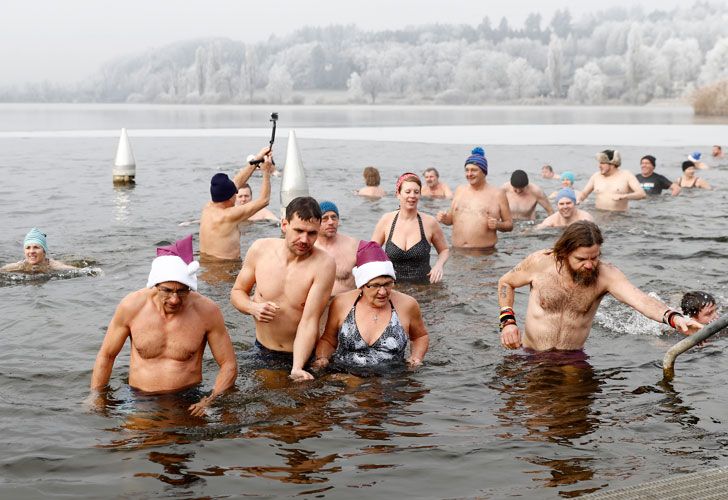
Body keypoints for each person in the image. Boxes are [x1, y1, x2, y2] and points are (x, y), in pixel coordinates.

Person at [90, 235, 237, 417]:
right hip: (139, 397)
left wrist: (210, 400)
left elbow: (228, 364)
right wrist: (96, 396)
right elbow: (107, 355)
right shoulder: (132, 306)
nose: (174, 299)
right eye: (167, 290)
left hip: (189, 398)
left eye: (182, 291)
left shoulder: (207, 311)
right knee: (130, 443)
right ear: (155, 285)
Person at [498, 221, 700, 351]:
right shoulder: (540, 262)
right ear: (563, 252)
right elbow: (506, 282)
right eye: (581, 259)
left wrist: (673, 318)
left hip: (573, 361)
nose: (589, 264)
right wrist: (508, 322)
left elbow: (641, 300)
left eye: (594, 257)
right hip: (531, 354)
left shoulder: (605, 274)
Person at [230, 196, 336, 381]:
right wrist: (252, 308)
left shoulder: (324, 264)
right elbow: (237, 292)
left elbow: (309, 321)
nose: (304, 239)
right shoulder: (260, 249)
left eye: (312, 233)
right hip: (262, 348)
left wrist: (297, 367)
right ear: (284, 224)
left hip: (300, 354)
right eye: (299, 231)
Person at [312, 241, 429, 372]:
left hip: (391, 377)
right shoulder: (341, 303)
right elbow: (329, 340)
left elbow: (420, 336)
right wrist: (322, 358)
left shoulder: (408, 304)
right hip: (345, 374)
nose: (383, 292)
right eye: (375, 285)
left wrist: (416, 358)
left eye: (388, 284)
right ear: (361, 285)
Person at [199, 146, 274, 260]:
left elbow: (236, 182)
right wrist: (266, 172)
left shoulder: (208, 207)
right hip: (225, 269)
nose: (237, 192)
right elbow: (264, 200)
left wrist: (257, 159)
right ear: (230, 197)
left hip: (206, 266)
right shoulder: (229, 215)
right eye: (236, 193)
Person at [372, 173, 449, 283]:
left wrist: (438, 266)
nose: (412, 195)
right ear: (398, 194)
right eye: (408, 192)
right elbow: (371, 251)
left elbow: (444, 250)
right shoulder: (386, 220)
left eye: (416, 192)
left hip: (424, 288)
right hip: (394, 288)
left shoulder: (429, 222)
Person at [437, 147, 513, 249]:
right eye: (467, 170)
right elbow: (451, 220)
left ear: (484, 172)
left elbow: (509, 225)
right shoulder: (460, 190)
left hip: (484, 255)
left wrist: (498, 225)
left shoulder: (498, 194)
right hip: (456, 253)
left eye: (474, 170)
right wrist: (444, 218)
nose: (469, 174)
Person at [577, 149, 646, 211]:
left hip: (619, 217)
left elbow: (641, 194)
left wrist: (625, 196)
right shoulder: (596, 176)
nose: (599, 166)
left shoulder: (626, 175)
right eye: (599, 163)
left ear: (612, 164)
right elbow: (584, 193)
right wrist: (578, 200)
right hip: (599, 215)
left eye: (603, 163)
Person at [314, 201, 359, 295]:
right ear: (316, 222)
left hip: (346, 304)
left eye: (334, 217)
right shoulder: (308, 247)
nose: (331, 222)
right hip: (320, 306)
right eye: (325, 218)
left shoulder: (353, 245)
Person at [1, 228, 76, 273]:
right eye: (28, 248)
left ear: (44, 251)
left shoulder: (54, 265)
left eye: (36, 247)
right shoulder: (19, 265)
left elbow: (79, 271)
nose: (31, 251)